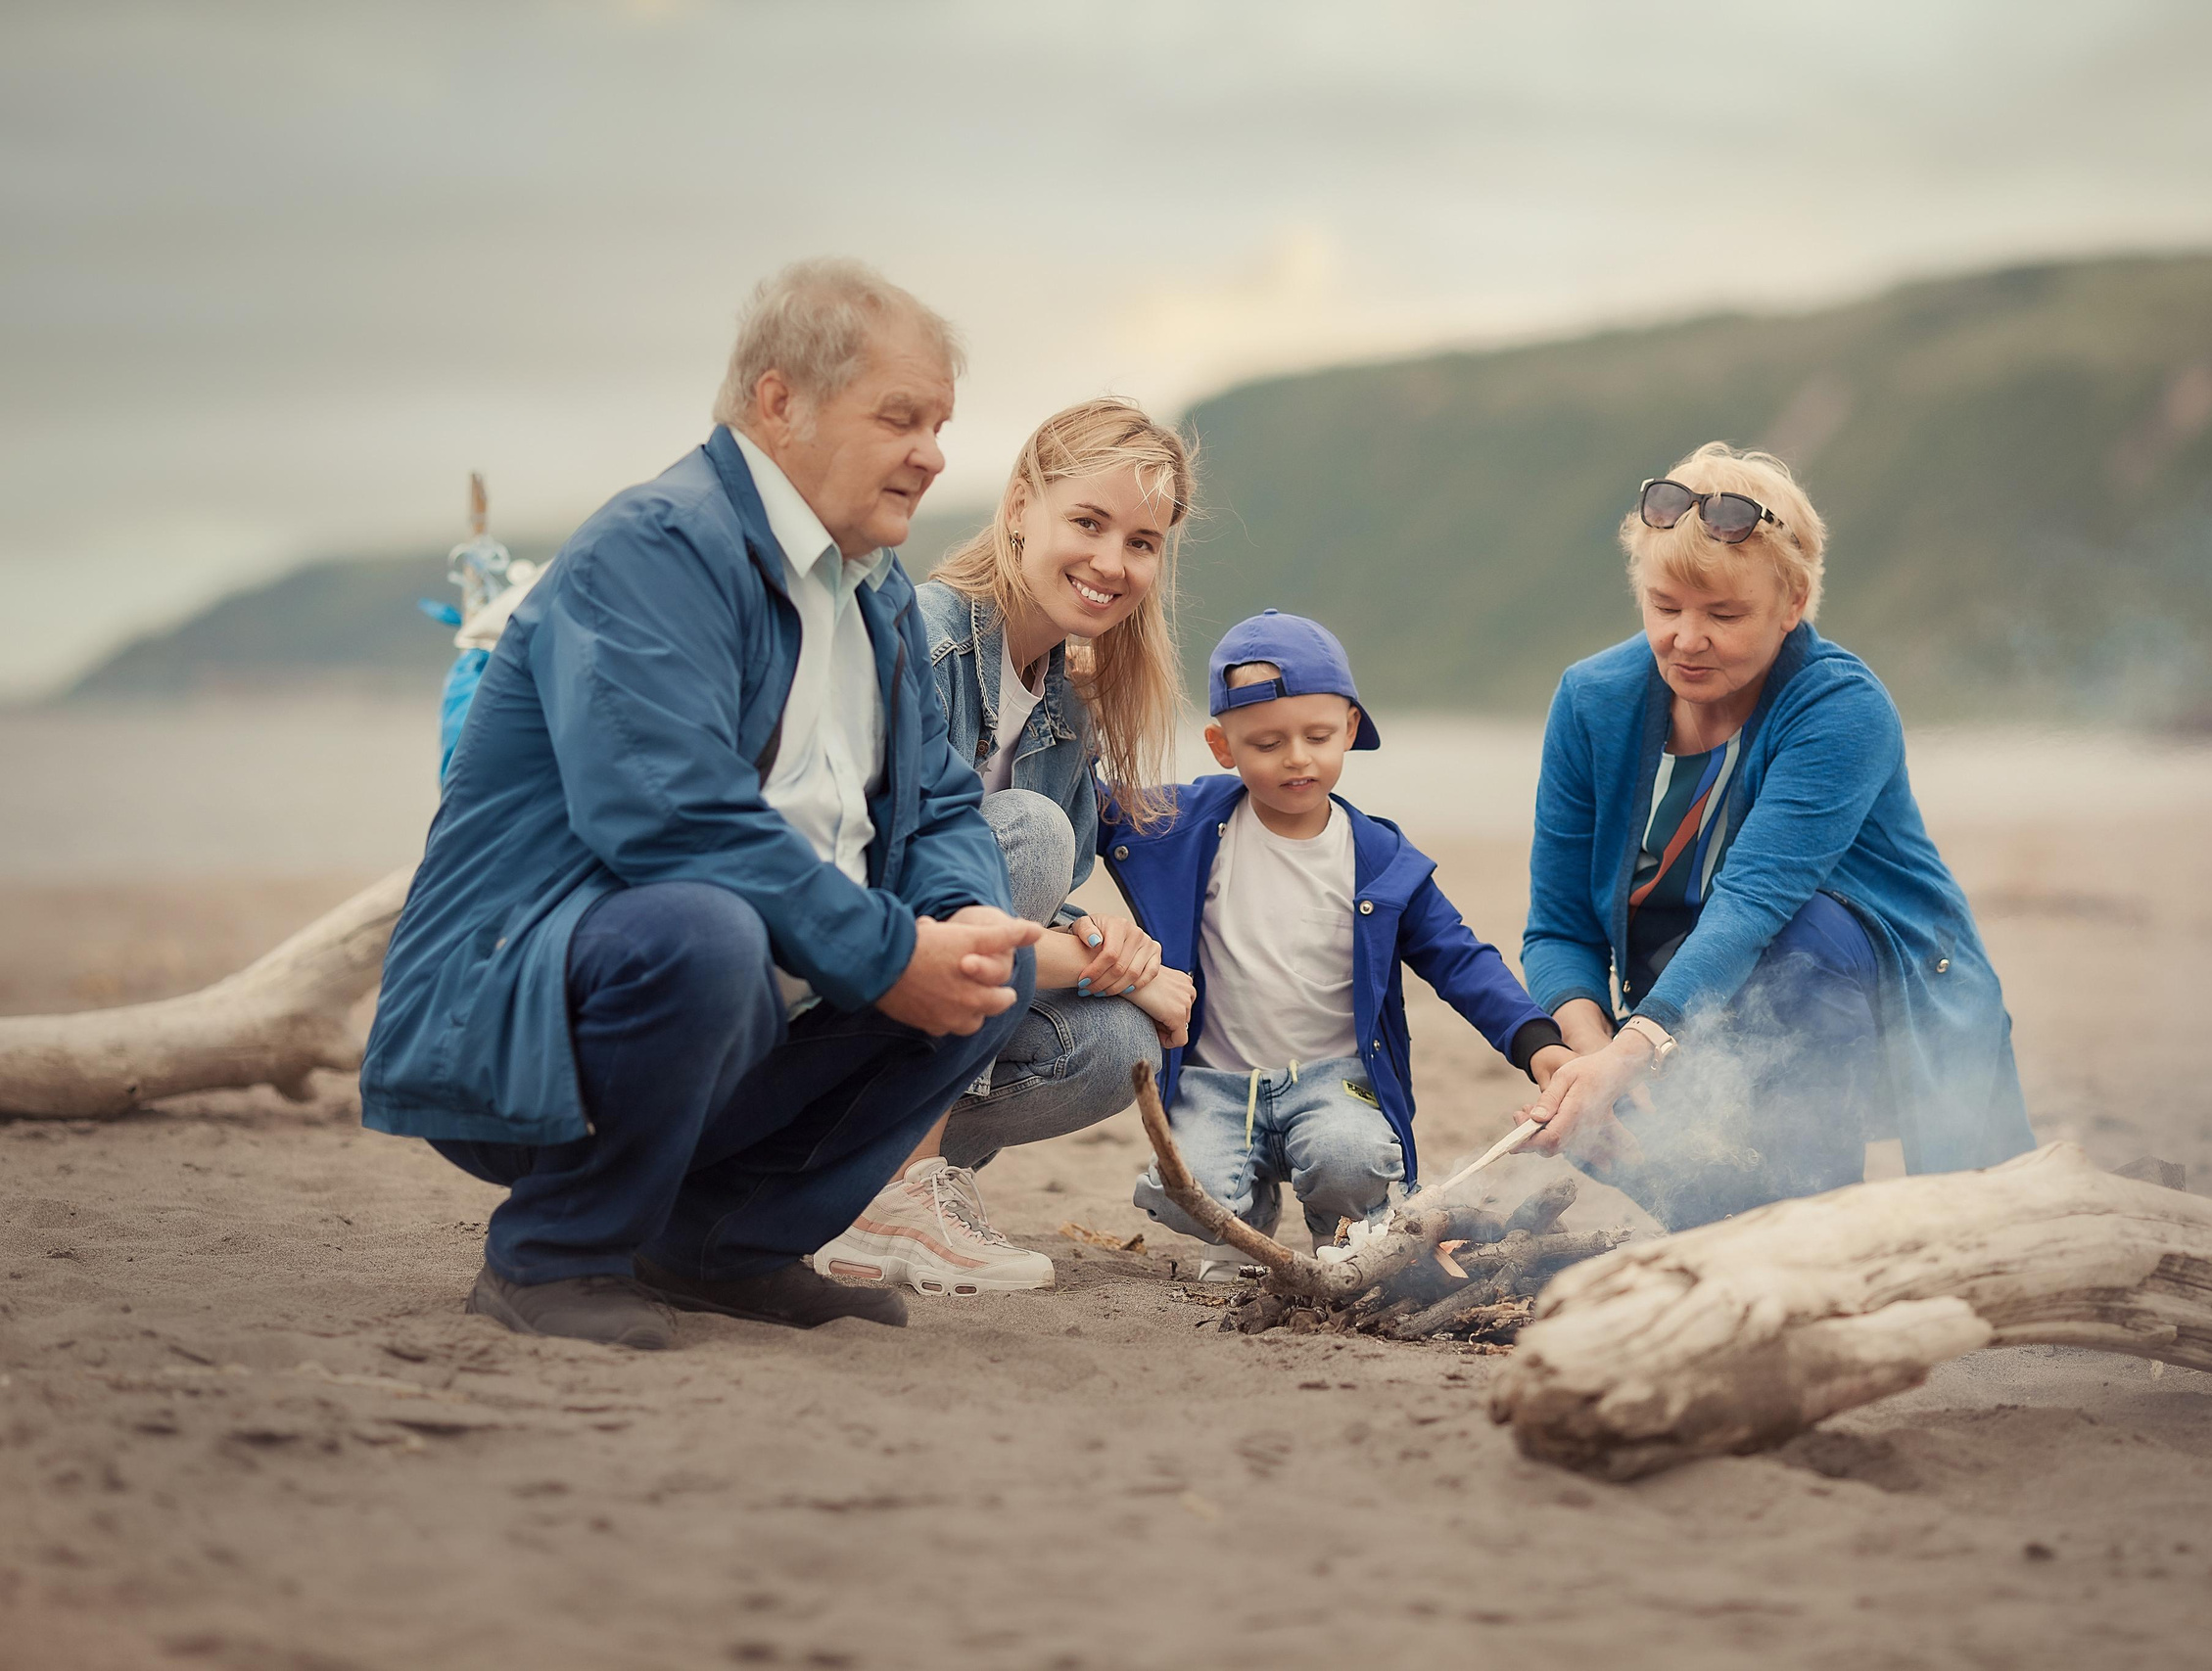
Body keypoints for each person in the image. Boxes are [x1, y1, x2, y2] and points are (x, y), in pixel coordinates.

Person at [360, 258, 1042, 1350]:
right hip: (522, 1014)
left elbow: (945, 804)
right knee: (705, 930)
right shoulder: (658, 546)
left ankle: (719, 1246)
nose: (932, 453)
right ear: (780, 402)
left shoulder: (875, 599)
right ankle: (556, 1249)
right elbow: (668, 814)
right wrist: (883, 954)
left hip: (744, 1011)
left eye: (941, 424)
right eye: (900, 418)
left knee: (987, 963)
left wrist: (956, 919)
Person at [1518, 443, 2033, 1229]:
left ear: (1791, 603)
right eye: (1664, 607)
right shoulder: (1593, 701)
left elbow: (1751, 905)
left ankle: (1809, 1220)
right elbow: (1558, 927)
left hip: (1880, 999)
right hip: (1693, 1014)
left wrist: (1631, 1052)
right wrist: (1591, 1063)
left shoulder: (1840, 708)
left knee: (1801, 937)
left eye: (1723, 614)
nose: (1687, 639)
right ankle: (1743, 1220)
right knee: (1601, 1116)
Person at [812, 398, 1195, 1295]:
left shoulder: (1068, 708)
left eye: (1142, 541)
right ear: (1021, 507)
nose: (1113, 562)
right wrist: (1115, 959)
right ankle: (895, 1197)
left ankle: (845, 1182)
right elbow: (895, 888)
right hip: (821, 997)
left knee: (1116, 1044)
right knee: (1028, 827)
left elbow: (1020, 906)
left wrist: (1098, 944)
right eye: (1089, 523)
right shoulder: (926, 635)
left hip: (904, 1006)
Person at [1105, 610, 1574, 1272]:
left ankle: (1341, 1229)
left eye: (1318, 735)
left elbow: (1458, 957)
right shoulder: (1183, 824)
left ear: (1350, 726)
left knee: (1353, 1163)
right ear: (1221, 745)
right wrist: (1077, 697)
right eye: (1266, 744)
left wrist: (1537, 1042)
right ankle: (1248, 1215)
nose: (1297, 757)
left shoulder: (1379, 857)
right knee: (1189, 1191)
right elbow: (1082, 795)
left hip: (1334, 1081)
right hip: (1214, 1082)